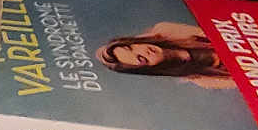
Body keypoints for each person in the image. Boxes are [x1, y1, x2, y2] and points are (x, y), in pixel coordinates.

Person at [95, 21, 230, 87]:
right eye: (141, 59)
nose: (144, 51)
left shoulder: (165, 30)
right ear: (149, 68)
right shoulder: (201, 79)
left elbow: (220, 34)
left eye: (130, 47)